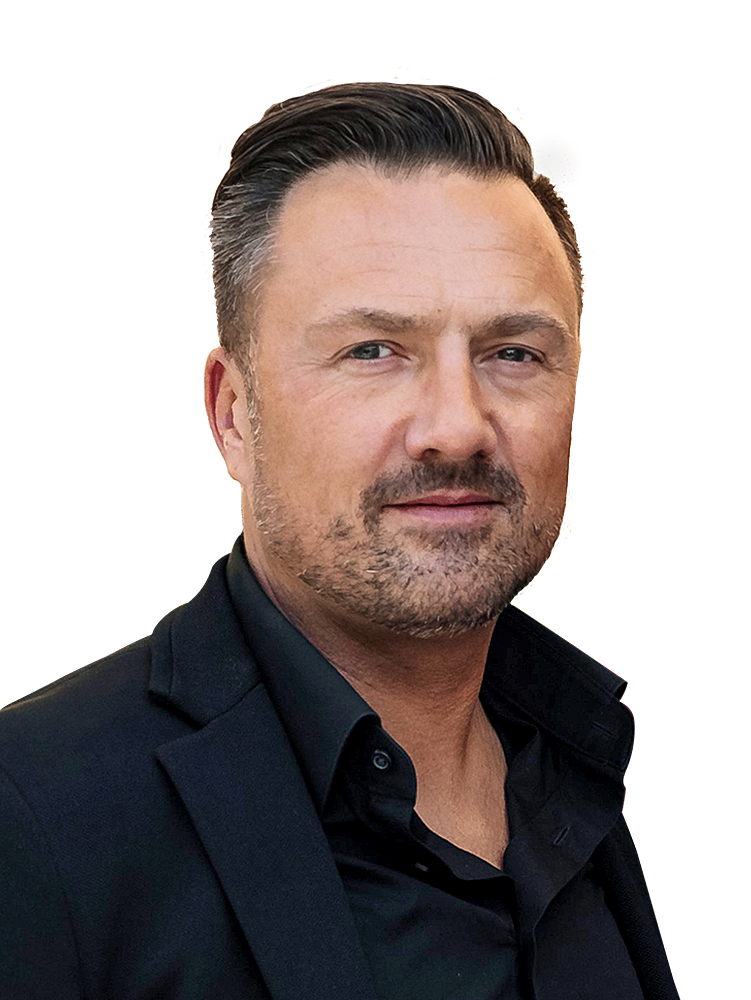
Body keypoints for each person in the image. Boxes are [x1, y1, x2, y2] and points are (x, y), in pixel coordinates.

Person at [0, 82, 679, 1000]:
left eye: (513, 353)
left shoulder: (569, 769)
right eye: (372, 351)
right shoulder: (31, 817)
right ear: (232, 414)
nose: (456, 427)